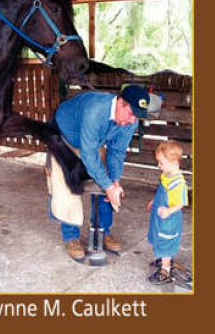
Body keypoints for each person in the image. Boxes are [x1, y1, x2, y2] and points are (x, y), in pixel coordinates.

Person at [49, 84, 159, 263]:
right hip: (63, 136)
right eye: (131, 114)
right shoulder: (96, 111)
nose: (133, 121)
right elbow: (88, 154)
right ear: (121, 103)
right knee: (68, 184)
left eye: (137, 116)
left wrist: (114, 182)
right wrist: (108, 185)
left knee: (107, 183)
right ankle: (71, 237)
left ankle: (102, 232)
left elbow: (117, 152)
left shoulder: (130, 120)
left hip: (90, 140)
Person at [147, 141, 189, 284]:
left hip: (169, 219)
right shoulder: (167, 175)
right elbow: (162, 192)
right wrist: (155, 200)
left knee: (166, 242)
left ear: (174, 163)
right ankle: (165, 259)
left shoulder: (178, 183)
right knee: (159, 238)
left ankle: (165, 271)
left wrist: (169, 211)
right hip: (160, 217)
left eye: (161, 163)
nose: (159, 166)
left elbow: (181, 202)